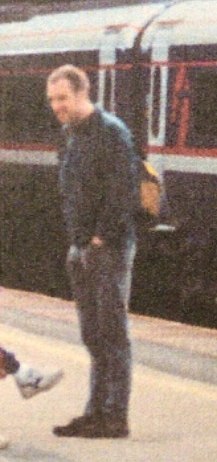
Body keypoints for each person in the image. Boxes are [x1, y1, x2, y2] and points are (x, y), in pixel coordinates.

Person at [46, 64, 139, 439]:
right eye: (52, 100)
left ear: (83, 94)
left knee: (112, 332)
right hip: (82, 248)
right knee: (93, 334)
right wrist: (78, 242)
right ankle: (95, 411)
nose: (57, 106)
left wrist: (100, 238)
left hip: (108, 249)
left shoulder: (111, 133)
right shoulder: (72, 135)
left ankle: (115, 415)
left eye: (63, 98)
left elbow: (122, 192)